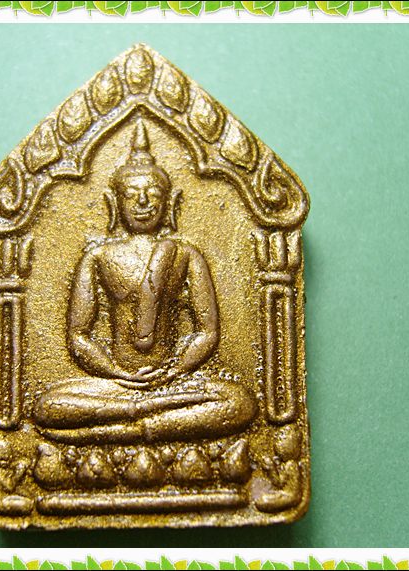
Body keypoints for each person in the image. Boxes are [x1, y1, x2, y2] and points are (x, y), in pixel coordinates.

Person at [33, 119, 256, 445]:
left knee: (240, 403)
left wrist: (175, 370)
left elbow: (207, 332)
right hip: (116, 385)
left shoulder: (186, 255)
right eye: (131, 194)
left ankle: (133, 426)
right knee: (47, 406)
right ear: (114, 203)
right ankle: (144, 414)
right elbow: (79, 336)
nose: (142, 202)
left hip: (173, 383)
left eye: (152, 194)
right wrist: (115, 372)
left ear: (170, 202)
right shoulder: (98, 257)